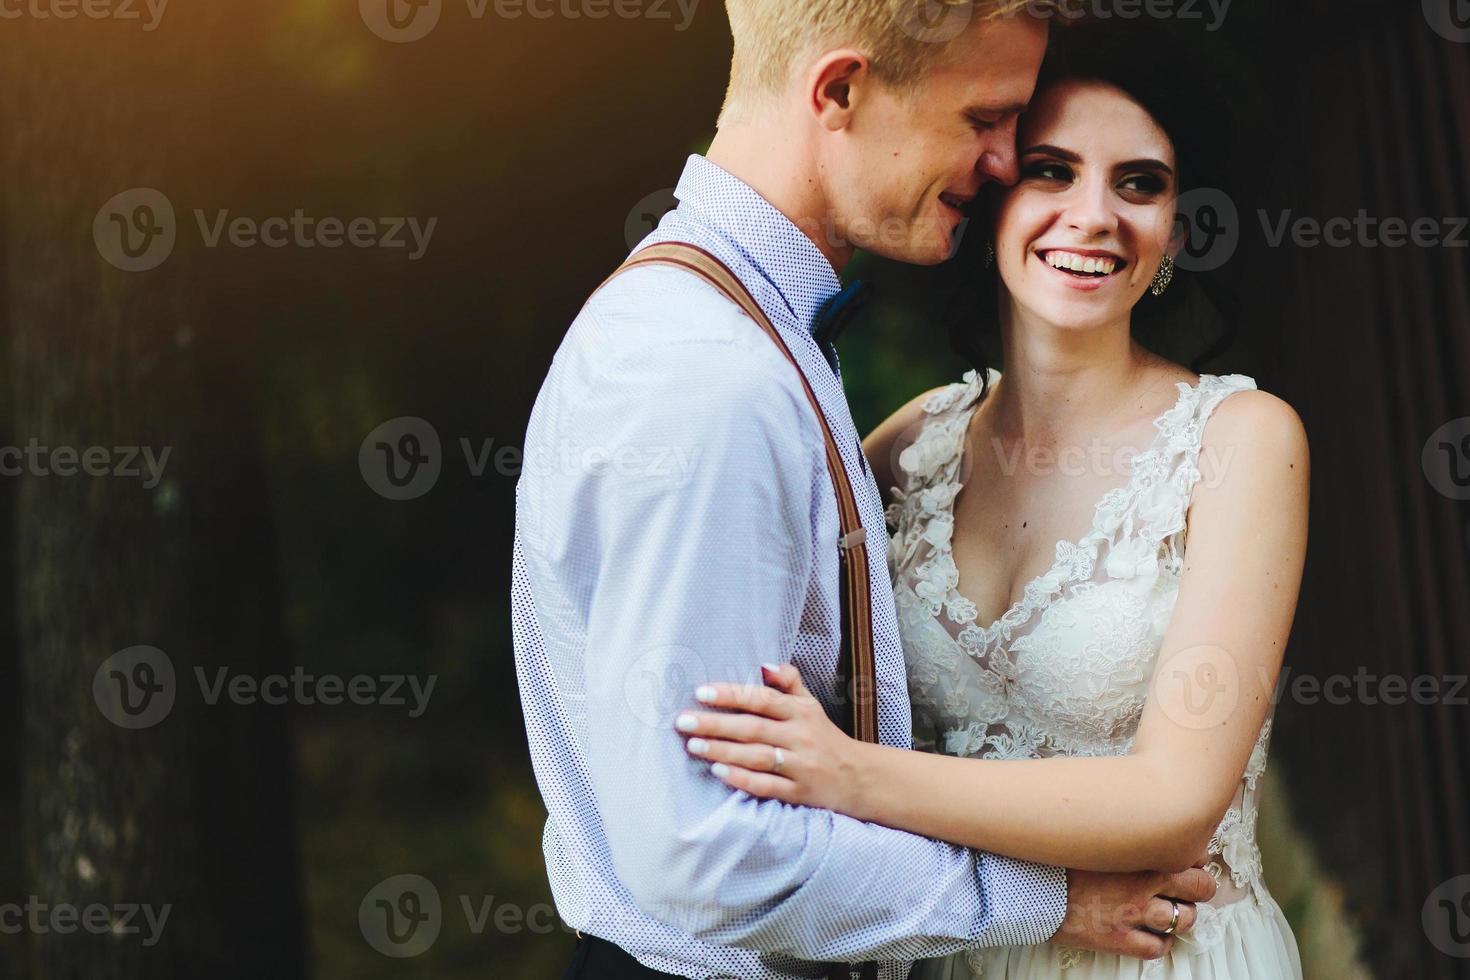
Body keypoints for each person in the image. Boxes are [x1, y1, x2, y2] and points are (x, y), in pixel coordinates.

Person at [513, 2, 1219, 978]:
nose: (1007, 161)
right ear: (839, 90)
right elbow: (706, 850)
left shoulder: (734, 331)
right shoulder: (707, 378)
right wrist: (1039, 899)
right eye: (984, 120)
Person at [673, 29, 1309, 980]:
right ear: (993, 194)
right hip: (951, 953)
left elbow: (1175, 798)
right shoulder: (908, 446)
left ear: (1175, 231)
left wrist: (849, 778)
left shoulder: (1242, 440)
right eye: (1053, 172)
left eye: (1140, 184)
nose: (1095, 215)